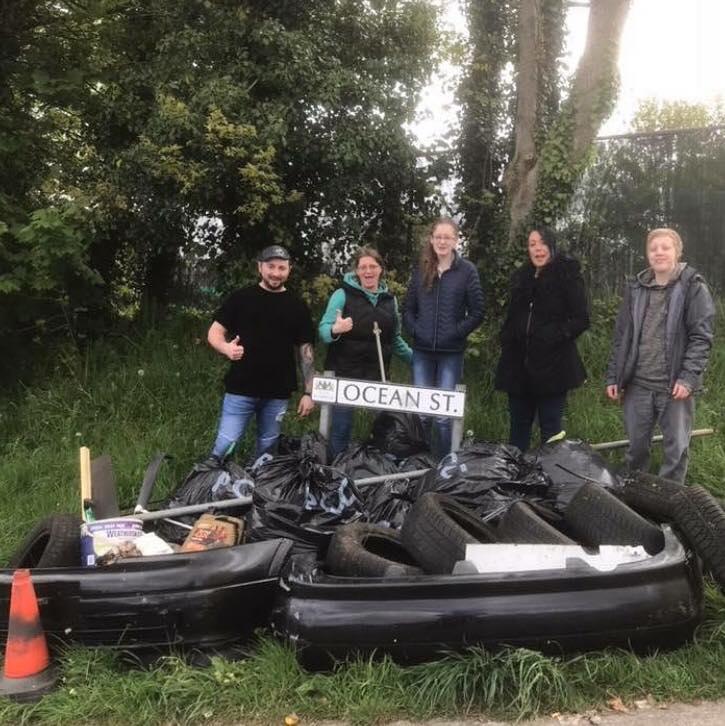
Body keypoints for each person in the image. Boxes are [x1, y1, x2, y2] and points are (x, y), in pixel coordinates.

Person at [605, 228, 714, 484]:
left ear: (677, 251)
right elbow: (622, 337)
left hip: (674, 387)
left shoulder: (693, 286)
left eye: (665, 247)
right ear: (647, 254)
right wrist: (615, 377)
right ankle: (634, 497)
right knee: (636, 449)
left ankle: (668, 503)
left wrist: (687, 378)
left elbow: (701, 337)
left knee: (675, 452)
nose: (659, 252)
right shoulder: (636, 287)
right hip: (638, 385)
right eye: (653, 248)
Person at [207, 245, 316, 461]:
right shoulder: (240, 298)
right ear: (260, 267)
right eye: (271, 266)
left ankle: (256, 489)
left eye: (281, 268)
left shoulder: (298, 306)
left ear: (289, 270)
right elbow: (214, 333)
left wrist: (309, 392)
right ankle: (210, 486)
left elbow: (306, 352)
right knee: (225, 446)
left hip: (278, 393)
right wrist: (226, 347)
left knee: (267, 450)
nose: (276, 273)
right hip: (240, 390)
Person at [494, 226, 590, 452]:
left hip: (553, 366)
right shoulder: (521, 277)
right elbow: (512, 317)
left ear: (552, 245)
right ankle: (516, 479)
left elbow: (581, 319)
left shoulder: (567, 274)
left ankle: (552, 480)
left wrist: (553, 335)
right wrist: (507, 336)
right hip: (518, 367)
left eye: (542, 243)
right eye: (532, 244)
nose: (538, 249)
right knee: (518, 427)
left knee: (551, 429)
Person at [318, 246, 412, 458]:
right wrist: (335, 329)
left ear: (380, 269)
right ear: (357, 271)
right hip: (345, 374)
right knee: (341, 428)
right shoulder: (342, 295)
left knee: (384, 428)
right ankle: (334, 471)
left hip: (377, 375)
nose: (368, 271)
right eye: (363, 267)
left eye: (373, 266)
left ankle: (379, 473)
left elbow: (395, 339)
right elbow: (323, 331)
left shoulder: (390, 300)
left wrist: (418, 361)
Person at [403, 217, 484, 458]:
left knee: (443, 417)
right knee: (422, 414)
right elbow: (407, 309)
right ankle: (422, 463)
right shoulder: (421, 270)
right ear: (431, 239)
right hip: (422, 352)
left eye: (447, 237)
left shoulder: (467, 271)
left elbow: (478, 311)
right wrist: (416, 331)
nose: (442, 241)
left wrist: (455, 333)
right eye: (438, 237)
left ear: (456, 240)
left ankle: (446, 464)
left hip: (451, 353)